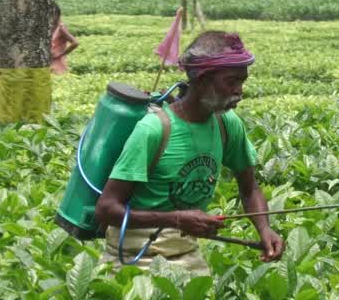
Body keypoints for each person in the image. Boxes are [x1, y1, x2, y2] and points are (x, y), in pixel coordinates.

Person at [93, 31, 285, 274]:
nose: (240, 91)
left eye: (242, 81)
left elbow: (250, 188)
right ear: (203, 80)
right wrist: (175, 219)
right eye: (231, 81)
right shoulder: (153, 130)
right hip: (132, 256)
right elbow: (107, 209)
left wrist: (264, 229)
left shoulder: (228, 124)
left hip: (185, 252)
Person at [50, 6, 79, 75]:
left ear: (57, 15)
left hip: (58, 63)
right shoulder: (50, 26)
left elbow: (75, 43)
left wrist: (61, 54)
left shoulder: (61, 28)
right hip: (50, 62)